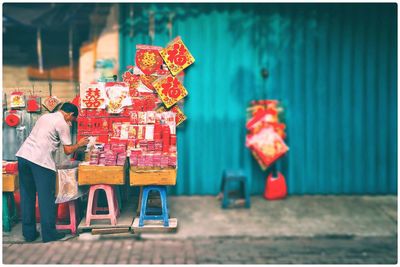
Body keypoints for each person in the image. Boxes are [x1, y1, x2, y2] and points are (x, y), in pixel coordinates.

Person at [16, 102, 88, 242]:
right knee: (46, 198)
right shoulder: (62, 123)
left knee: (27, 196)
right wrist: (79, 144)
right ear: (70, 114)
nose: (71, 123)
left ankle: (29, 234)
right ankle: (49, 234)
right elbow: (67, 151)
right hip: (41, 162)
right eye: (72, 120)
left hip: (23, 157)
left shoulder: (45, 117)